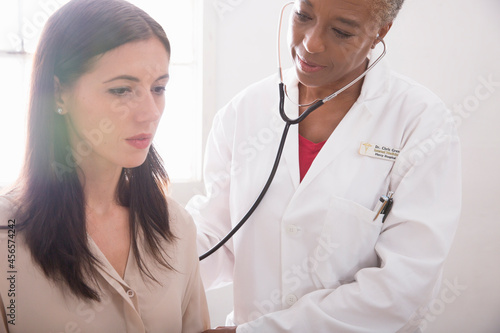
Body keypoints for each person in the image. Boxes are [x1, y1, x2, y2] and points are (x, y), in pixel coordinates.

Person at [188, 0, 461, 332]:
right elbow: (219, 238)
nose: (311, 43)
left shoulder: (420, 122)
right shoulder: (244, 111)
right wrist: (141, 258)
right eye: (303, 15)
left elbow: (405, 283)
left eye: (341, 31)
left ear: (380, 32)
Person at [0, 0, 210, 332]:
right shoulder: (6, 238)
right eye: (121, 90)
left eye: (158, 88)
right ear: (58, 94)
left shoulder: (176, 227)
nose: (149, 112)